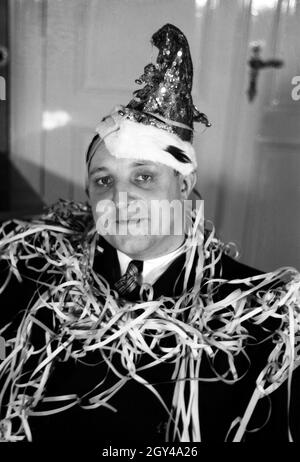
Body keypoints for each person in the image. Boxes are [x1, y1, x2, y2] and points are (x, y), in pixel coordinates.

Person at [0, 23, 299, 444]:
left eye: (143, 176)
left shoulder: (263, 322)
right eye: (103, 181)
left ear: (183, 184)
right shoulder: (32, 277)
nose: (120, 198)